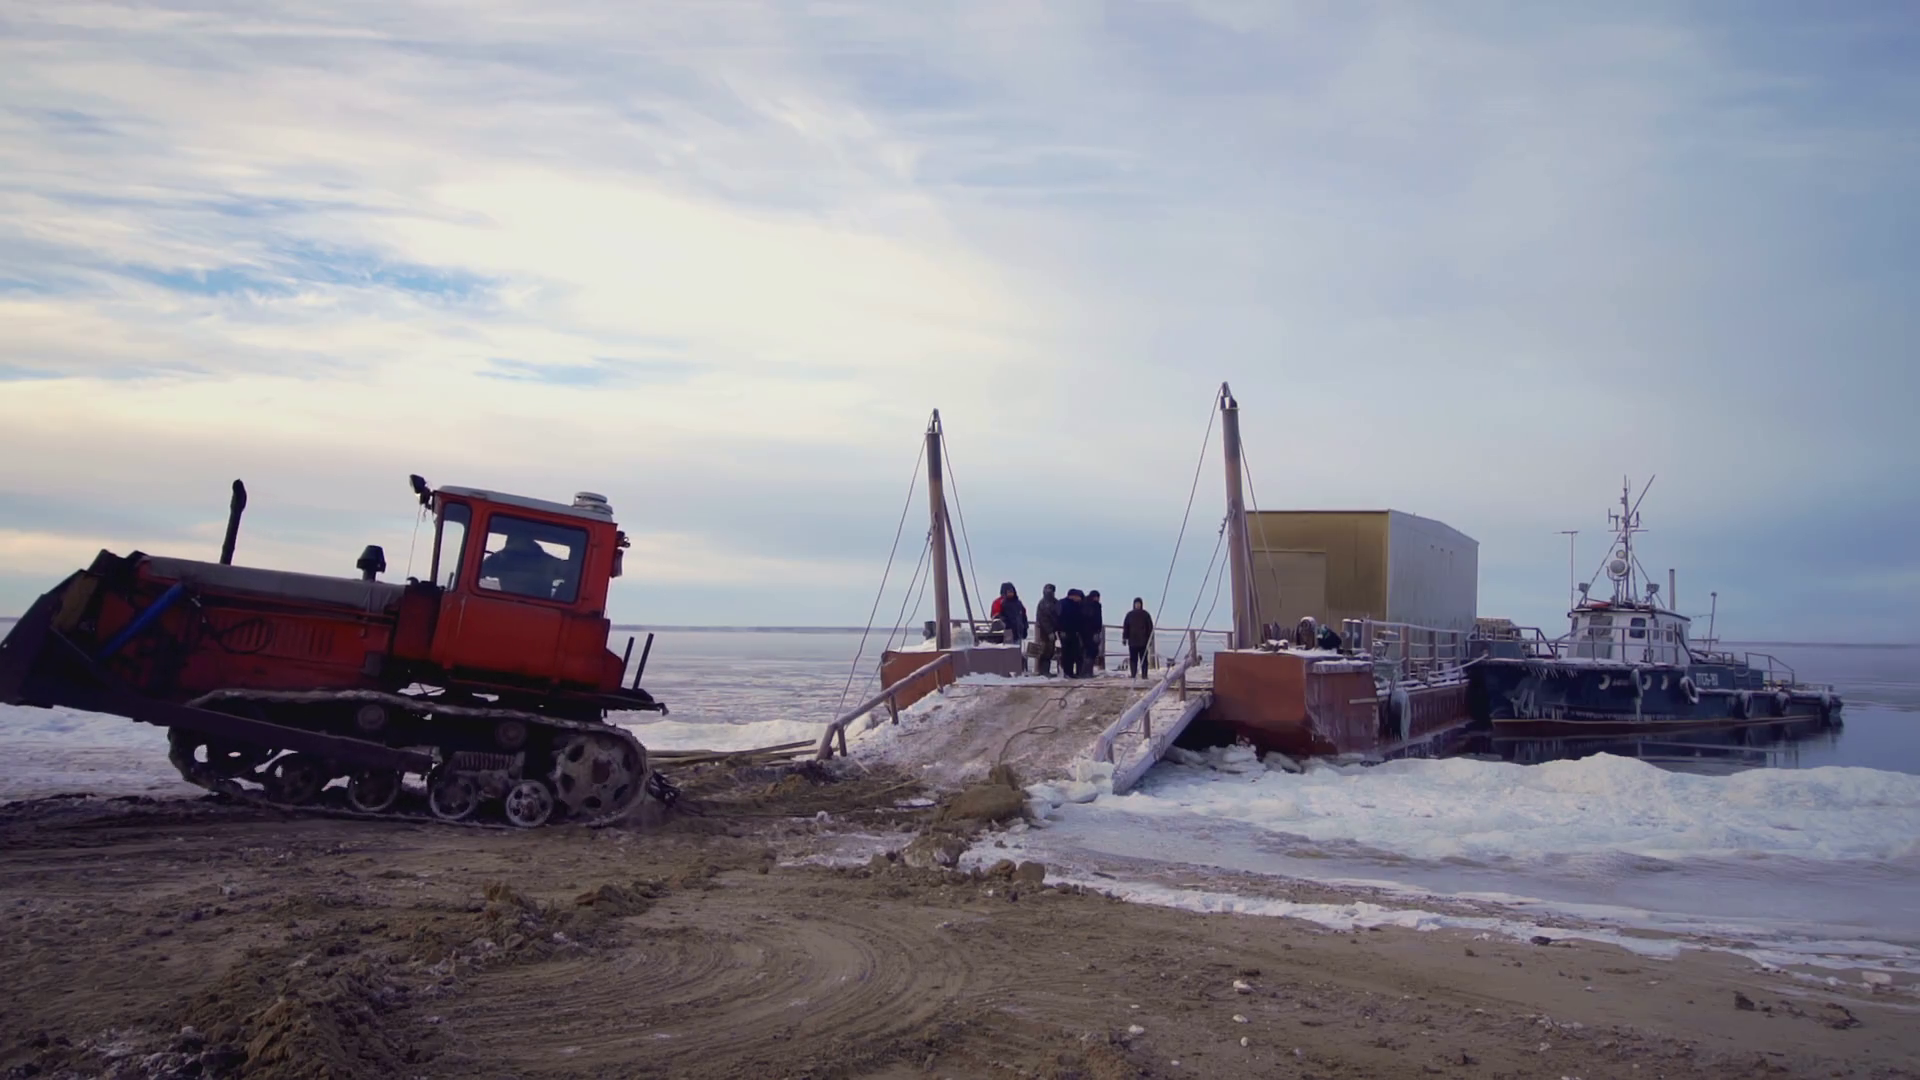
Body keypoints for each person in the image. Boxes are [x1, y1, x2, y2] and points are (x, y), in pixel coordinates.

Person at [480, 530, 568, 599]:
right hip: (508, 605)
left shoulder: (500, 558)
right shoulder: (499, 559)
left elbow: (571, 573)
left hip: (540, 609)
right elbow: (478, 571)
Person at [1056, 589, 1086, 678]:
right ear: (1073, 596)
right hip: (1065, 631)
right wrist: (1060, 630)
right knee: (1067, 653)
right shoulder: (1062, 603)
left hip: (1074, 632)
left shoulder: (1077, 605)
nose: (1080, 599)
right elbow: (1058, 617)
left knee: (1075, 653)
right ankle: (1067, 672)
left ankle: (1073, 672)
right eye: (1079, 597)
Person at [1123, 597, 1155, 679]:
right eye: (1136, 604)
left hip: (1143, 641)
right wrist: (1124, 638)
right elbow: (1126, 627)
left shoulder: (1146, 615)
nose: (1137, 605)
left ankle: (1144, 675)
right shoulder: (1129, 615)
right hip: (1132, 641)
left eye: (1139, 604)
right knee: (1133, 659)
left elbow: (1150, 628)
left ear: (1141, 604)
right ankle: (1133, 674)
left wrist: (1150, 639)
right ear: (1134, 605)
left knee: (1143, 659)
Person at [1033, 584, 1060, 676]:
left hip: (1053, 631)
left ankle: (1046, 671)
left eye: (1050, 590)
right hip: (1043, 632)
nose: (1049, 592)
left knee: (1050, 651)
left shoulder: (1056, 602)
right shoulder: (1042, 603)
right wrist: (1049, 631)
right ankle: (1042, 671)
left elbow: (1058, 616)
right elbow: (1042, 619)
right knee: (1044, 651)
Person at [1083, 590, 1105, 673]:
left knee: (1090, 651)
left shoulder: (1085, 604)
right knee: (1091, 651)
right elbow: (1095, 619)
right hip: (1091, 631)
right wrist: (1097, 629)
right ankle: (1087, 671)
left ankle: (1087, 671)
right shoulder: (1094, 606)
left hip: (1089, 631)